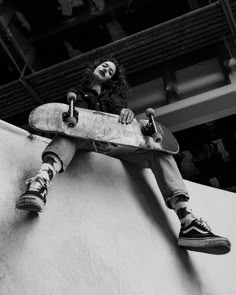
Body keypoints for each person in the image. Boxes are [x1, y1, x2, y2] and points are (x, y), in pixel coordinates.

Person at [16, 57, 231, 255]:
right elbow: (69, 121)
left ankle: (187, 221)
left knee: (159, 151)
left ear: (112, 79)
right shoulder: (77, 93)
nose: (107, 69)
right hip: (84, 143)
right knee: (70, 132)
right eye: (104, 66)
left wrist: (124, 113)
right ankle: (40, 182)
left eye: (111, 71)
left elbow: (119, 111)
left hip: (110, 149)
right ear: (94, 68)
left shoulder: (113, 97)